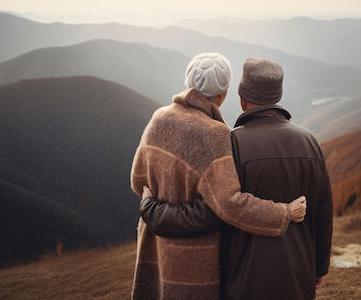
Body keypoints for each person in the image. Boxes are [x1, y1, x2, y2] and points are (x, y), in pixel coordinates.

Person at [142, 58, 334, 300]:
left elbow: (214, 211)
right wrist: (318, 267)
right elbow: (322, 212)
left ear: (242, 98)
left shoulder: (230, 144)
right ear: (278, 96)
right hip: (299, 272)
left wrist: (152, 209)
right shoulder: (310, 142)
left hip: (242, 277)